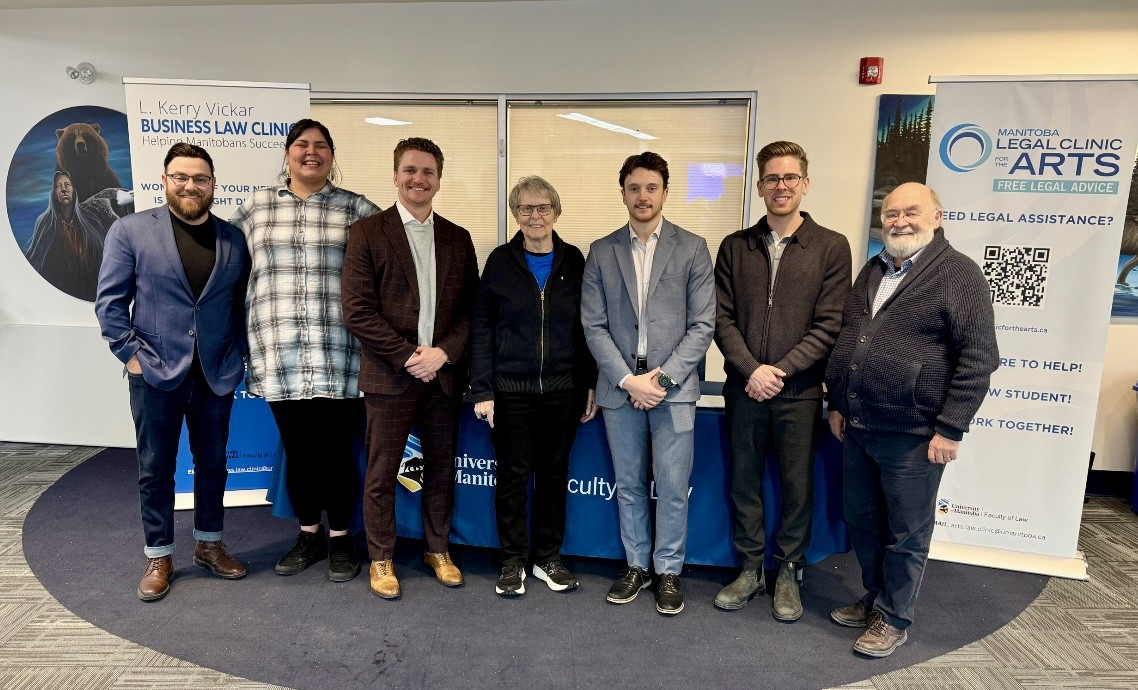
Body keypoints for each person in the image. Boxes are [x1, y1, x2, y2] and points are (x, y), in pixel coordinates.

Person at [825, 182, 999, 657]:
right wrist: (838, 402)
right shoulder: (873, 269)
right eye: (891, 213)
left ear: (937, 216)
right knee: (862, 521)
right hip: (859, 427)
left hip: (916, 435)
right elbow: (850, 339)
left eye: (911, 212)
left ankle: (894, 616)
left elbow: (978, 358)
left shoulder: (958, 274)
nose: (899, 221)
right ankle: (877, 598)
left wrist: (951, 426)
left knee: (907, 531)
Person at [94, 143, 251, 602]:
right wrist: (130, 356)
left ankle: (209, 544)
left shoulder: (231, 239)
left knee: (213, 465)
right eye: (180, 177)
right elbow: (109, 302)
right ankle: (159, 554)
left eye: (200, 178)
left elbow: (236, 305)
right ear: (164, 180)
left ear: (213, 184)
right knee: (156, 468)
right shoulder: (131, 231)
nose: (190, 185)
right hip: (155, 372)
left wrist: (238, 355)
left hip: (215, 373)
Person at [231, 119, 381, 583]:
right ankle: (308, 534)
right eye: (302, 145)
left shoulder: (358, 209)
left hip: (340, 352)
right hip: (278, 352)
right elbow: (230, 275)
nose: (311, 152)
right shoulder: (255, 207)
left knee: (337, 452)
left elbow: (387, 273)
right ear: (287, 152)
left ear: (333, 156)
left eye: (321, 146)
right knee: (298, 452)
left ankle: (341, 540)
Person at [713, 141, 852, 620]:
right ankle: (750, 569)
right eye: (772, 178)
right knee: (744, 483)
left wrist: (780, 372)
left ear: (805, 184)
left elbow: (830, 324)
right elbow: (721, 318)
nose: (781, 186)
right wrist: (752, 371)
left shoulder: (831, 246)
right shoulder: (735, 246)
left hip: (801, 393)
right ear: (759, 186)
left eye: (790, 177)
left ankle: (789, 570)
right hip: (744, 389)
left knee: (797, 486)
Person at [342, 137, 479, 599]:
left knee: (440, 468)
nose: (418, 179)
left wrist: (442, 354)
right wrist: (407, 356)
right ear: (395, 175)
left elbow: (469, 313)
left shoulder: (458, 238)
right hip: (389, 376)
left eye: (428, 172)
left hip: (442, 375)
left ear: (439, 180)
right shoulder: (367, 233)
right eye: (410, 170)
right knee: (381, 473)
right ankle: (381, 558)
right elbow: (358, 311)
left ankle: (437, 549)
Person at [580, 152, 715, 615]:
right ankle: (636, 566)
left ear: (664, 192)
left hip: (673, 391)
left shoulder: (693, 247)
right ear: (623, 193)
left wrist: (660, 378)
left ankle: (669, 571)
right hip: (621, 389)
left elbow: (703, 324)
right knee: (630, 483)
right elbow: (593, 326)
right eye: (633, 187)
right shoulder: (602, 250)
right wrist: (627, 380)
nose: (642, 196)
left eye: (651, 187)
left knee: (674, 487)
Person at [469, 176, 598, 597]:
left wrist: (591, 383)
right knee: (511, 477)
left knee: (553, 475)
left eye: (543, 208)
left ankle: (548, 558)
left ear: (556, 213)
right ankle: (512, 561)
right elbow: (483, 327)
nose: (535, 216)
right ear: (516, 215)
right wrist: (483, 388)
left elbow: (589, 329)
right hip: (511, 392)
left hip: (563, 391)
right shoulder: (500, 262)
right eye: (526, 209)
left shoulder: (575, 261)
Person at [25, 170, 106, 301]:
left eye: (67, 185)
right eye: (58, 186)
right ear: (53, 193)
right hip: (58, 294)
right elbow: (36, 258)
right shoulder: (44, 223)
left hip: (89, 292)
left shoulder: (91, 220)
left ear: (73, 189)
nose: (63, 189)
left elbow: (101, 258)